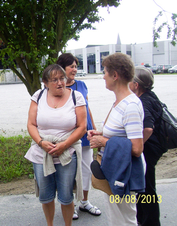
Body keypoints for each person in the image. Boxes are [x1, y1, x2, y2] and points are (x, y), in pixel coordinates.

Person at [25, 64, 87, 226]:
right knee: (46, 196)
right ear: (45, 82)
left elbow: (82, 127)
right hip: (41, 153)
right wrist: (41, 142)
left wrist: (65, 145)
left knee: (66, 197)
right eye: (54, 80)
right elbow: (31, 124)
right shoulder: (38, 96)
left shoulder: (76, 97)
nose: (60, 83)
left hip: (67, 154)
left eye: (62, 78)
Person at [87, 52, 144, 226]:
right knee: (116, 220)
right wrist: (101, 136)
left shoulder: (131, 106)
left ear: (115, 75)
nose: (103, 76)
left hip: (124, 172)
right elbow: (120, 135)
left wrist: (104, 142)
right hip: (115, 168)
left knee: (124, 220)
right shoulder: (119, 102)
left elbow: (136, 148)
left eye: (105, 72)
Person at [56, 53, 101, 220]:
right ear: (62, 68)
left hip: (86, 134)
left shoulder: (82, 85)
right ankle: (70, 205)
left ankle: (84, 201)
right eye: (71, 66)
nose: (74, 69)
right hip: (69, 135)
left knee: (86, 169)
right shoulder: (58, 88)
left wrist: (94, 128)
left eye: (76, 66)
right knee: (69, 171)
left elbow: (87, 108)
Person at [129, 66, 163, 226]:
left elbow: (148, 127)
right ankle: (143, 219)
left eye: (130, 80)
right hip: (155, 147)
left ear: (136, 85)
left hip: (148, 149)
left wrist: (138, 145)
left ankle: (149, 222)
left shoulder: (142, 101)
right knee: (146, 186)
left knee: (146, 189)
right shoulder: (151, 96)